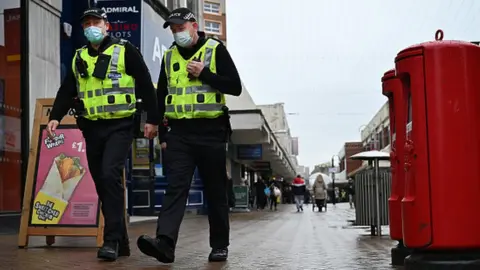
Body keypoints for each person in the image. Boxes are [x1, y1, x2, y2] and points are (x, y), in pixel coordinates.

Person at [46, 7, 159, 261]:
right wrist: (55, 116)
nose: (91, 27)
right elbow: (67, 90)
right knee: (103, 184)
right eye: (87, 24)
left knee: (109, 174)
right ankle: (121, 242)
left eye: (96, 22)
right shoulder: (78, 57)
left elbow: (145, 83)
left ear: (107, 25)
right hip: (92, 128)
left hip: (120, 126)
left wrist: (152, 120)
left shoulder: (124, 50)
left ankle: (110, 241)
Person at [136, 8, 242, 263]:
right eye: (173, 30)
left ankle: (219, 245)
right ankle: (165, 243)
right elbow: (161, 94)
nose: (176, 33)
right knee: (175, 187)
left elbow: (234, 87)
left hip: (211, 132)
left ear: (194, 26)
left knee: (215, 190)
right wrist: (155, 125)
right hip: (179, 134)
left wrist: (204, 73)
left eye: (180, 28)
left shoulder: (215, 50)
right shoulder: (170, 55)